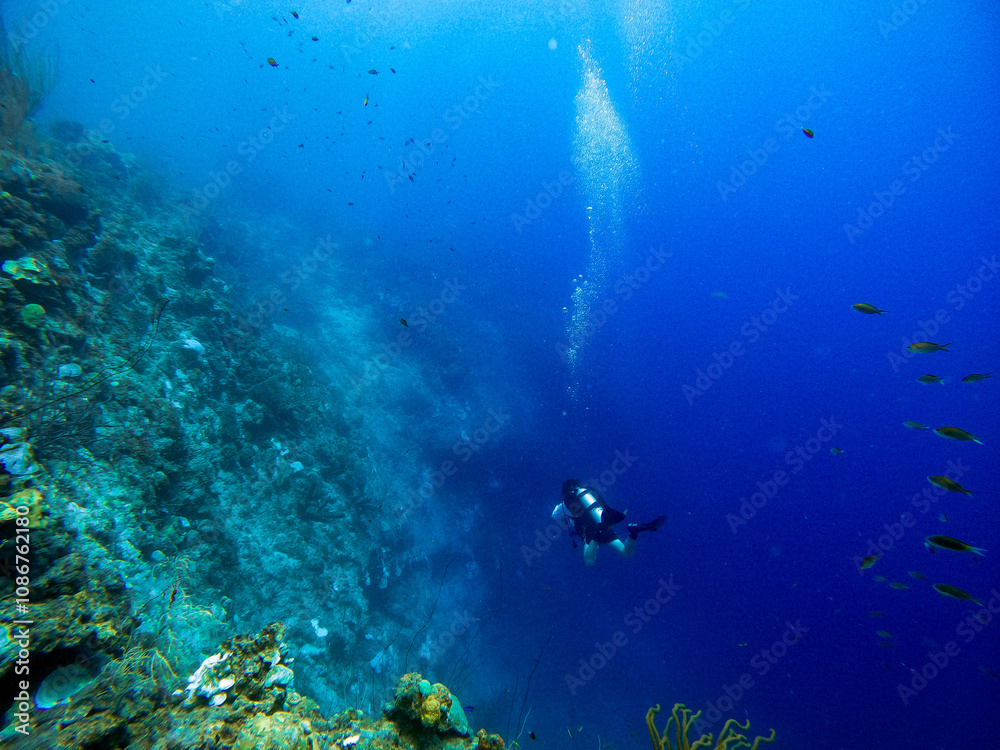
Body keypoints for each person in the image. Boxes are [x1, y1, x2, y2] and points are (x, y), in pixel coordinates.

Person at [553, 479, 665, 566]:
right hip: (603, 524)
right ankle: (633, 532)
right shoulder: (585, 494)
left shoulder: (563, 506)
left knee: (589, 561)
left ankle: (597, 537)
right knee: (626, 553)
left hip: (590, 531)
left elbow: (554, 515)